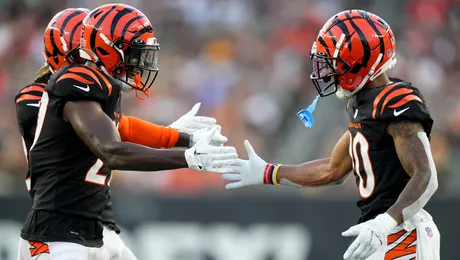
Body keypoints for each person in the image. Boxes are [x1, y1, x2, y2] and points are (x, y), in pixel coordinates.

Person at [17, 4, 236, 260]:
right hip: (56, 233)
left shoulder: (94, 92)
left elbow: (121, 127)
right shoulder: (60, 90)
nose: (139, 62)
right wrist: (188, 157)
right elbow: (112, 149)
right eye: (133, 53)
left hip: (95, 229)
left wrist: (179, 137)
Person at [222, 10, 440, 260]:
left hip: (403, 233)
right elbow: (333, 169)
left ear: (361, 62)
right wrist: (269, 172)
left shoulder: (395, 101)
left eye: (337, 62)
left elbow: (426, 176)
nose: (329, 70)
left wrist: (386, 223)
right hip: (379, 231)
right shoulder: (361, 103)